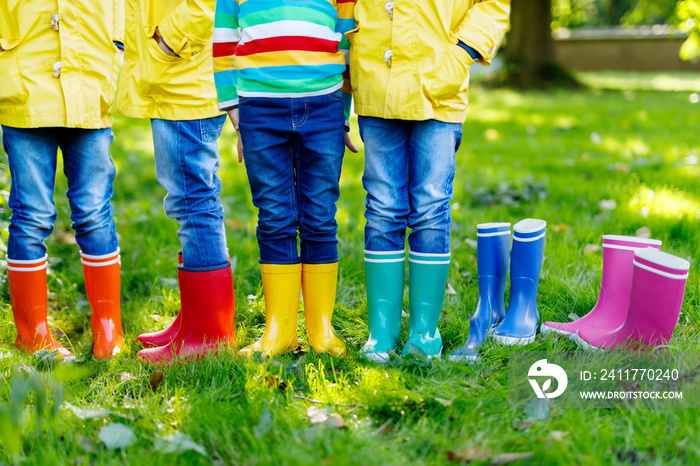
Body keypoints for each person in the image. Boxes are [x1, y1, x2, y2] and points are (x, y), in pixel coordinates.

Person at [352, 0, 510, 361]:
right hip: (376, 78)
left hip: (440, 83)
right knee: (382, 207)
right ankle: (382, 332)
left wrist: (462, 53)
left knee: (430, 204)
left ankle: (425, 330)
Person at [213, 0, 357, 357]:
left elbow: (346, 41)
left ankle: (320, 330)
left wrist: (340, 114)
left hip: (323, 105)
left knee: (320, 216)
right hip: (258, 109)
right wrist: (235, 113)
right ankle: (280, 330)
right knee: (275, 215)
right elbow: (223, 42)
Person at [0, 0, 125, 360]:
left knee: (94, 210)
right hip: (23, 85)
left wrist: (118, 47)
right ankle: (33, 334)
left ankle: (108, 327)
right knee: (31, 213)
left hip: (90, 82)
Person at [114, 0, 235, 363]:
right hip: (176, 78)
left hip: (185, 80)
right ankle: (195, 320)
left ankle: (210, 333)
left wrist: (167, 42)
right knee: (190, 199)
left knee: (194, 201)